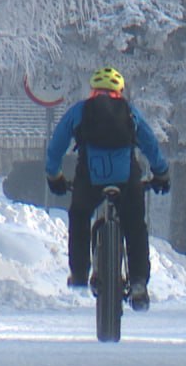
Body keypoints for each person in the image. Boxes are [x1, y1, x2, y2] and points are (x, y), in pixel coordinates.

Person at [45, 66, 170, 311]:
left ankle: (80, 271)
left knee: (80, 215)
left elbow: (57, 144)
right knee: (135, 226)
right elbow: (150, 144)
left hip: (90, 179)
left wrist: (54, 175)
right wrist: (161, 173)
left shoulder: (79, 111)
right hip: (127, 180)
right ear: (119, 91)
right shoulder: (130, 112)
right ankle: (138, 283)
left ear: (93, 90)